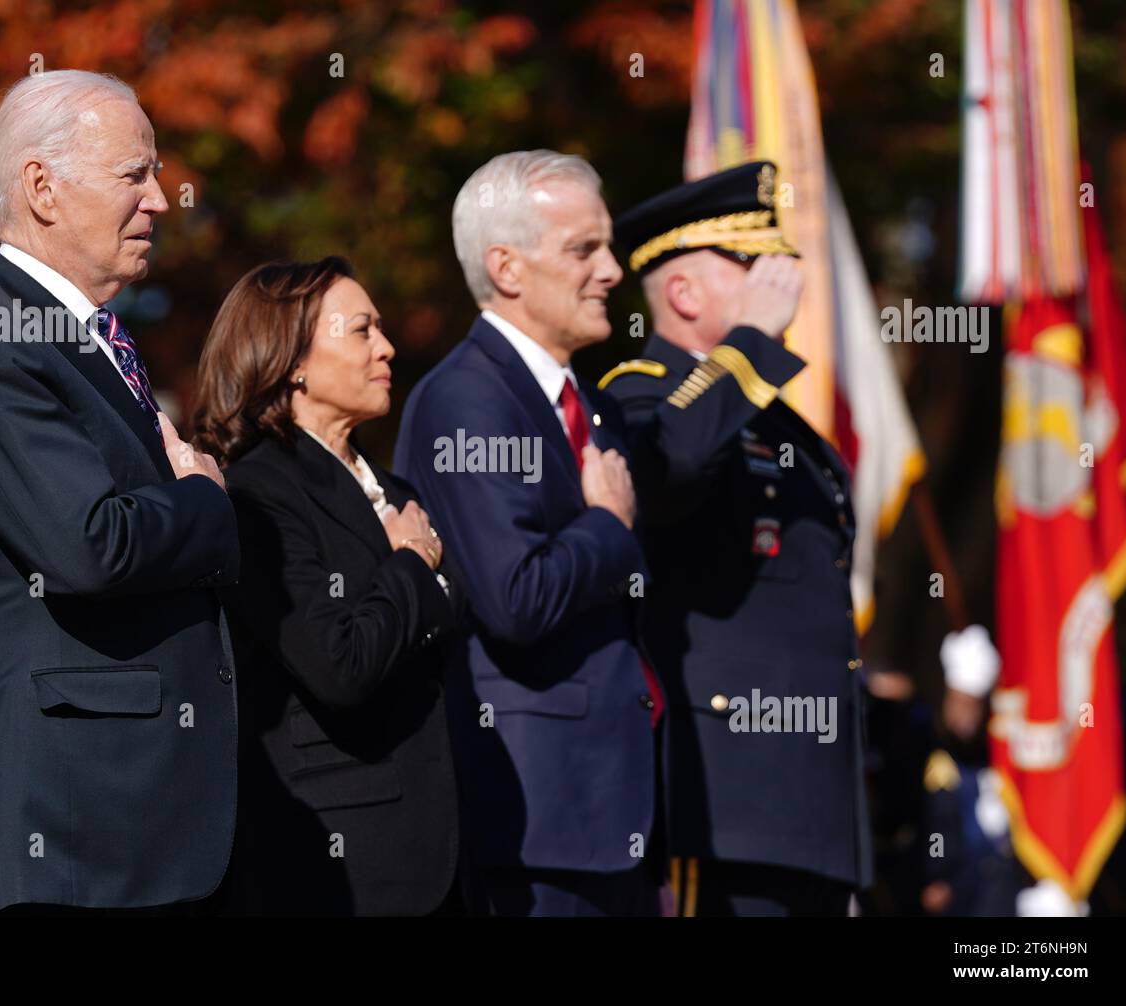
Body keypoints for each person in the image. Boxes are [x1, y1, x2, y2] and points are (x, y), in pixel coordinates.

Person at [0, 70, 240, 916]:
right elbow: (92, 543)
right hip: (56, 843)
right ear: (42, 189)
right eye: (135, 176)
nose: (160, 201)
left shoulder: (83, 343)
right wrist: (205, 501)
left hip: (123, 837)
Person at [394, 150, 662, 916]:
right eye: (585, 249)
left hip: (611, 812)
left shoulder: (585, 400)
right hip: (536, 820)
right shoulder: (465, 400)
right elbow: (516, 598)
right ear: (506, 268)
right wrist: (609, 526)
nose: (612, 270)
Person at [600, 160, 872, 915]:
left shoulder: (778, 421)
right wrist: (751, 338)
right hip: (721, 796)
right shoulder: (637, 392)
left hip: (810, 806)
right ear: (682, 292)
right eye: (751, 263)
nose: (780, 278)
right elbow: (671, 467)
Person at [192, 258, 463, 916]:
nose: (387, 347)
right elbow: (337, 665)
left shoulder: (395, 492)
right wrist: (410, 564)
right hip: (336, 865)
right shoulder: (260, 492)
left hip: (437, 855)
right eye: (363, 330)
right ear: (294, 360)